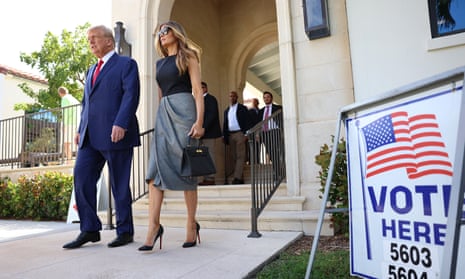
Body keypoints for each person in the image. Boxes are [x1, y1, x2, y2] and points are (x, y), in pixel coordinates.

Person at [63, 25, 141, 249]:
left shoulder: (126, 64)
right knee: (82, 178)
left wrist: (121, 122)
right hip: (90, 136)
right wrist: (80, 128)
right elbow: (86, 103)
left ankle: (124, 230)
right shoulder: (90, 71)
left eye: (94, 38)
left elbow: (131, 95)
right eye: (88, 39)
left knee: (119, 184)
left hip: (116, 134)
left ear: (109, 41)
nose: (91, 42)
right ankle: (89, 229)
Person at [139, 21, 204, 252]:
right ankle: (153, 227)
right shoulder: (159, 64)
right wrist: (160, 119)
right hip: (165, 114)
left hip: (186, 112)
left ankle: (190, 223)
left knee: (188, 168)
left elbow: (197, 91)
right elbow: (160, 96)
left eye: (166, 30)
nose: (162, 34)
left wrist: (199, 121)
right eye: (159, 32)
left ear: (177, 33)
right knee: (154, 172)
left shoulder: (189, 57)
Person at [222, 91, 250, 184]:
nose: (231, 98)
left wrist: (246, 134)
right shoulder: (227, 110)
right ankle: (240, 178)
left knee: (240, 156)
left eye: (233, 96)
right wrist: (224, 135)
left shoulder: (242, 108)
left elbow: (247, 121)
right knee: (234, 156)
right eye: (230, 96)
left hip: (239, 134)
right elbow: (225, 124)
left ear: (237, 97)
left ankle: (237, 178)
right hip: (230, 135)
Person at [198, 81, 221, 185]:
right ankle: (204, 178)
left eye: (202, 87)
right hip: (199, 134)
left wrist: (203, 128)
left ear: (206, 88)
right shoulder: (197, 100)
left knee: (210, 155)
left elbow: (212, 116)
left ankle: (210, 178)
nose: (200, 89)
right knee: (201, 156)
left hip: (209, 133)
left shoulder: (211, 99)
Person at [258, 91, 283, 180]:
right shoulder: (261, 111)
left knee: (275, 151)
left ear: (271, 98)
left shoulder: (278, 108)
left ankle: (277, 173)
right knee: (270, 152)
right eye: (264, 97)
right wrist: (258, 134)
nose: (266, 99)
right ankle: (277, 170)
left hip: (275, 131)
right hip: (265, 133)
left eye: (268, 97)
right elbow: (259, 123)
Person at [58, 86, 80, 161]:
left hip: (69, 123)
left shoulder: (64, 98)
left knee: (66, 143)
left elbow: (65, 112)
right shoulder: (74, 99)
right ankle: (76, 159)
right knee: (76, 142)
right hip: (77, 122)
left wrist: (64, 124)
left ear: (60, 93)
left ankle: (69, 160)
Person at [247, 98, 260, 164]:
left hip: (259, 131)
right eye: (253, 102)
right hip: (252, 131)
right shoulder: (249, 111)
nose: (254, 103)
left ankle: (257, 161)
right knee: (251, 147)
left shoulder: (260, 111)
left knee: (258, 147)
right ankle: (251, 162)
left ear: (258, 103)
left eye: (256, 102)